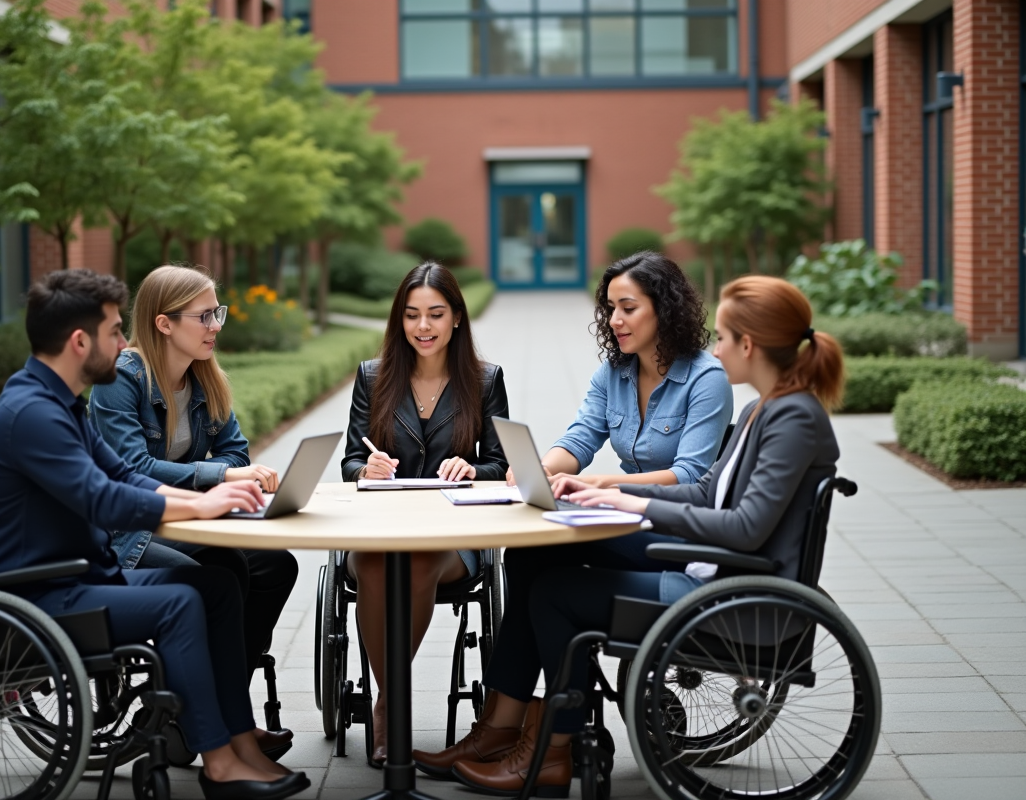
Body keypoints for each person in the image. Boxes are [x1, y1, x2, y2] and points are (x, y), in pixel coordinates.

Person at [445, 275, 845, 796]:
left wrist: (630, 502)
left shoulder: (790, 418)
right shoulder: (766, 409)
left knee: (552, 593)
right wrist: (619, 498)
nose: (715, 348)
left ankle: (553, 747)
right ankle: (531, 736)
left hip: (729, 595)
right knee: (541, 558)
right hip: (719, 574)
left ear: (748, 345)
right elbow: (706, 492)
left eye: (722, 337)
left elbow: (746, 527)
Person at [0, 269, 310, 800]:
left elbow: (125, 475)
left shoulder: (61, 404)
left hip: (81, 572)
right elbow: (103, 498)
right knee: (183, 599)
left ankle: (240, 742)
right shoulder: (32, 413)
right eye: (113, 332)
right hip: (42, 591)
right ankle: (218, 760)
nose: (125, 344)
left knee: (218, 587)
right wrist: (210, 494)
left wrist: (206, 500)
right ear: (81, 342)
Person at [412, 253, 732, 779]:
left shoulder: (706, 379)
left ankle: (513, 727)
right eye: (610, 309)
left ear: (665, 309)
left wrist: (602, 483)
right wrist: (536, 469)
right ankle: (511, 726)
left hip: (670, 529)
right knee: (533, 552)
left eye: (628, 308)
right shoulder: (616, 372)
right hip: (625, 520)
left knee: (542, 562)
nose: (615, 321)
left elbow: (691, 478)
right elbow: (581, 438)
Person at [89, 265, 298, 757]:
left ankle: (211, 713)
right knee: (216, 574)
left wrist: (225, 474)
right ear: (164, 323)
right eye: (205, 316)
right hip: (129, 533)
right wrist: (217, 478)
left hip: (183, 518)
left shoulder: (205, 378)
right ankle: (207, 722)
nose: (216, 326)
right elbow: (133, 467)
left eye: (217, 313)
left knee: (274, 566)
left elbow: (236, 452)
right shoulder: (122, 379)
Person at [341, 262, 509, 765]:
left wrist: (473, 468)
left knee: (417, 560)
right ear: (400, 320)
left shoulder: (485, 379)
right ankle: (392, 700)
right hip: (380, 527)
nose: (424, 327)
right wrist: (365, 467)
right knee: (374, 563)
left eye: (436, 314)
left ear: (457, 317)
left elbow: (502, 463)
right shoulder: (373, 377)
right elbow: (350, 459)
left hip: (452, 535)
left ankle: (388, 705)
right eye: (412, 315)